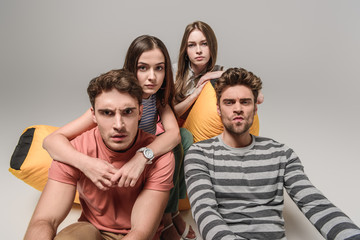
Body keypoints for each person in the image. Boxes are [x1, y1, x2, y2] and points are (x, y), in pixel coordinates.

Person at [42, 35, 195, 240]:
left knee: (181, 140)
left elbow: (174, 134)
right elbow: (51, 140)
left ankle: (168, 215)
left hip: (146, 156)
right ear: (132, 69)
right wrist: (86, 163)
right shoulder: (112, 101)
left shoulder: (158, 99)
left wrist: (142, 156)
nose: (152, 77)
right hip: (115, 154)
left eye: (159, 68)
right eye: (143, 68)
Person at [184, 67, 360, 240]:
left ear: (255, 108)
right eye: (229, 102)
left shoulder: (281, 153)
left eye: (245, 102)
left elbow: (314, 202)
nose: (238, 108)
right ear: (218, 109)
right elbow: (205, 212)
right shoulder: (200, 154)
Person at [24, 69, 174, 240]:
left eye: (128, 112)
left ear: (140, 112)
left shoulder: (160, 156)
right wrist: (86, 163)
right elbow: (44, 220)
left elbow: (141, 232)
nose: (119, 125)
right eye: (107, 113)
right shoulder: (73, 151)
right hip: (92, 232)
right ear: (93, 115)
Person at [174, 21, 264, 129]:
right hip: (174, 127)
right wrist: (195, 95)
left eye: (204, 44)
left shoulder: (219, 72)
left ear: (212, 46)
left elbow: (259, 98)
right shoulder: (174, 71)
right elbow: (170, 114)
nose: (198, 51)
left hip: (200, 129)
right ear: (186, 50)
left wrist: (220, 73)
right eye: (192, 45)